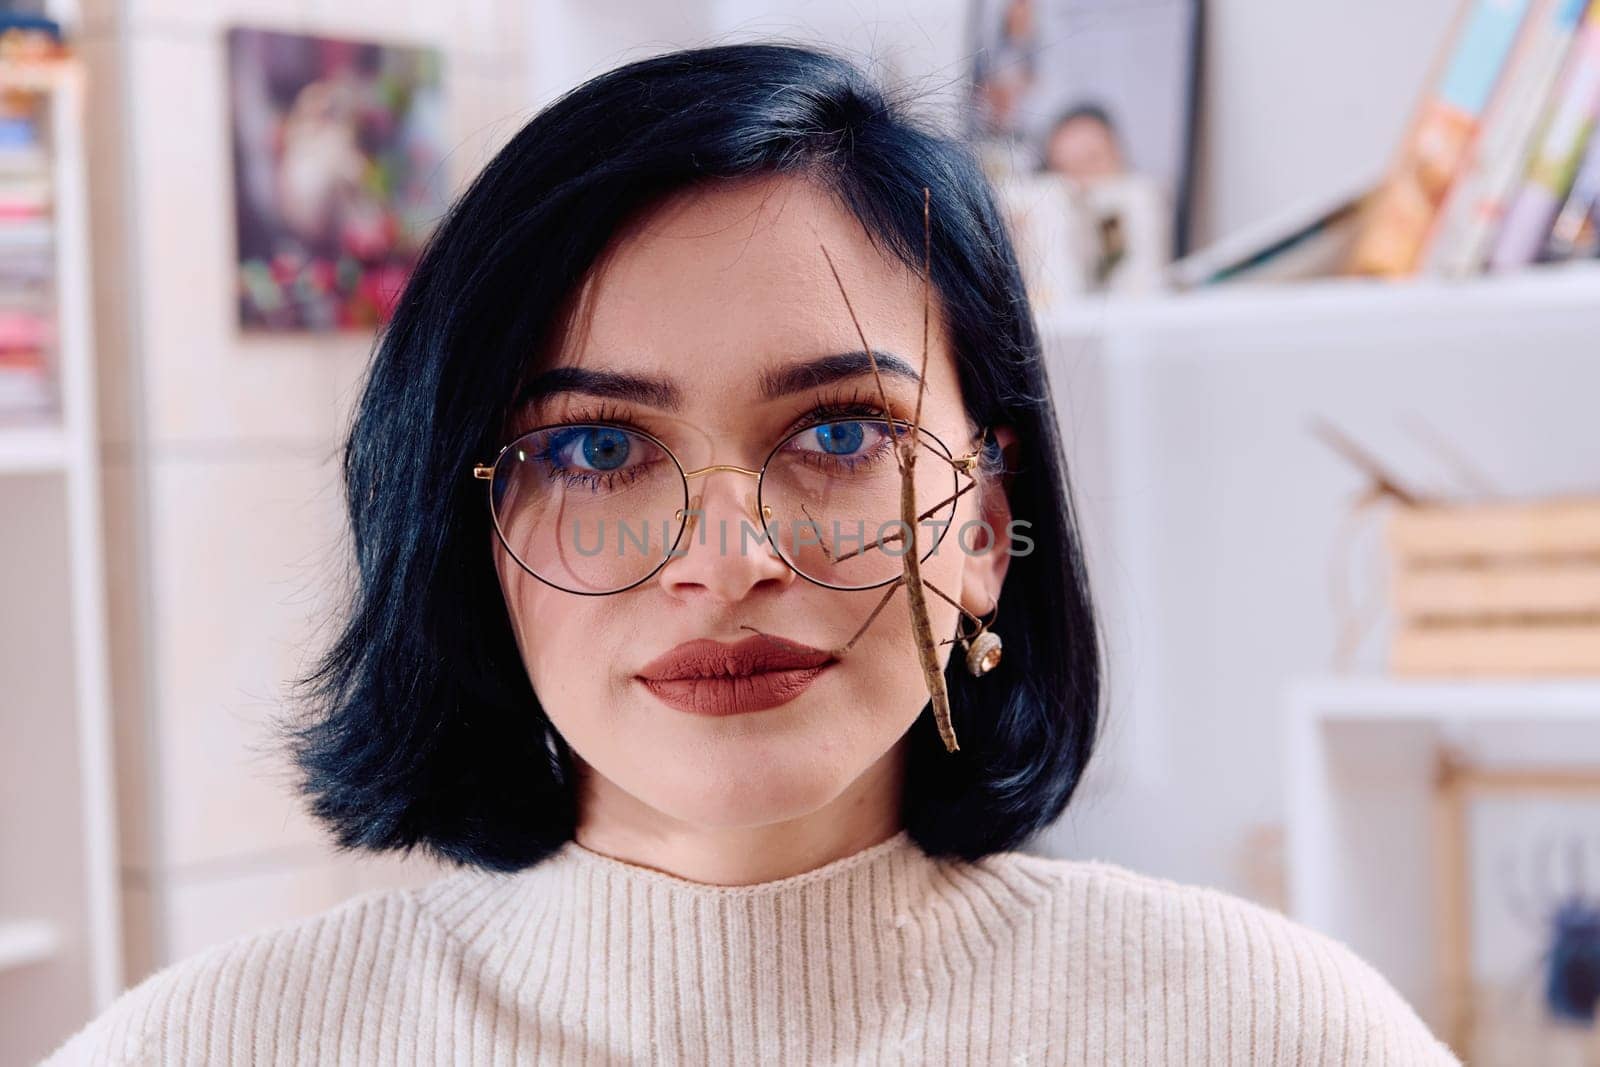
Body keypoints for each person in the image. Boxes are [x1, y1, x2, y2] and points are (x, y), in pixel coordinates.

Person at [44, 43, 1460, 1065]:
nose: (727, 562)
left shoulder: (1275, 1033)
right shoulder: (204, 1048)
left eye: (840, 435)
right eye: (597, 447)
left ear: (979, 523)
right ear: (467, 535)